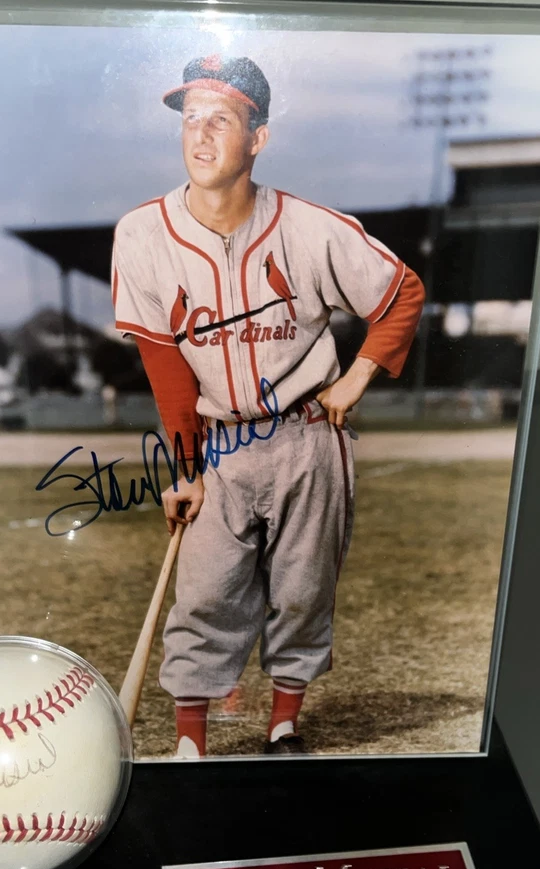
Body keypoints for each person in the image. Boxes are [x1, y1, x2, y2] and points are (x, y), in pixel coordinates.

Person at [111, 55, 424, 757]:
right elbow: (165, 364)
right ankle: (191, 743)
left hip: (310, 434)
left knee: (304, 589)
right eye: (190, 119)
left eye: (221, 119)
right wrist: (185, 468)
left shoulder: (311, 228)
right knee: (201, 593)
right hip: (219, 445)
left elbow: (401, 292)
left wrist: (357, 377)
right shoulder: (142, 234)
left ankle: (283, 724)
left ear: (258, 138)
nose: (200, 136)